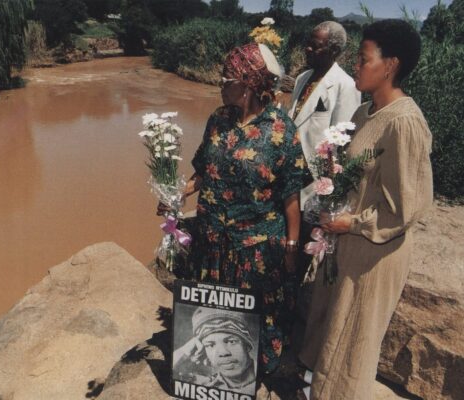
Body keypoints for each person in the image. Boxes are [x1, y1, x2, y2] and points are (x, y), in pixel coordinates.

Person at [297, 20, 433, 400]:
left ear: (389, 65)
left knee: (354, 339)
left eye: (363, 59)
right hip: (347, 245)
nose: (355, 66)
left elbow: (406, 209)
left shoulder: (405, 123)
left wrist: (350, 222)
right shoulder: (363, 113)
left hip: (375, 253)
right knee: (332, 330)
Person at [164, 41, 306, 374]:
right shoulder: (218, 119)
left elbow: (291, 196)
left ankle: (249, 378)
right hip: (212, 241)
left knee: (251, 322)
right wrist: (176, 194)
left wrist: (291, 247)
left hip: (254, 251)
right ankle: (213, 380)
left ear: (249, 83)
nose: (221, 84)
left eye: (227, 78)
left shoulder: (281, 131)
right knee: (215, 314)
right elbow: (203, 171)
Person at [288, 21, 361, 210]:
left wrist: (330, 186)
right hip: (289, 174)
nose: (308, 48)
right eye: (308, 43)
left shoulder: (346, 85)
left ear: (334, 50)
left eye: (316, 46)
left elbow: (342, 142)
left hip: (314, 180)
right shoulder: (302, 79)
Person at [173, 307, 257, 394]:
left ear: (247, 345)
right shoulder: (203, 386)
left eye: (232, 341)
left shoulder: (267, 378)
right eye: (210, 345)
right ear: (204, 351)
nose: (223, 352)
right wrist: (185, 350)